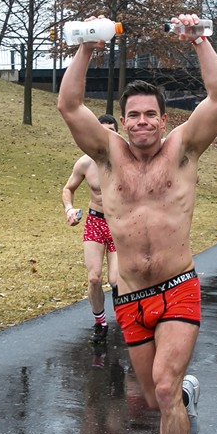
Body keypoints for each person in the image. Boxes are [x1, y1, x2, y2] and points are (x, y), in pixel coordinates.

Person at [58, 13, 217, 434]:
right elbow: (68, 105)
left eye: (150, 114)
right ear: (122, 120)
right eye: (132, 115)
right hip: (130, 296)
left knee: (160, 388)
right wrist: (87, 46)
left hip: (179, 287)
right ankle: (184, 398)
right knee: (161, 396)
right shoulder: (106, 155)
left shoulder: (183, 149)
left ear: (162, 117)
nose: (141, 123)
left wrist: (200, 40)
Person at [61, 114, 121, 344]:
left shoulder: (127, 160)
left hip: (119, 223)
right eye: (102, 129)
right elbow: (68, 188)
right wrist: (69, 209)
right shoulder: (85, 163)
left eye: (111, 130)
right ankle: (100, 322)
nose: (107, 134)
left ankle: (125, 312)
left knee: (115, 280)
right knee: (94, 278)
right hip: (95, 222)